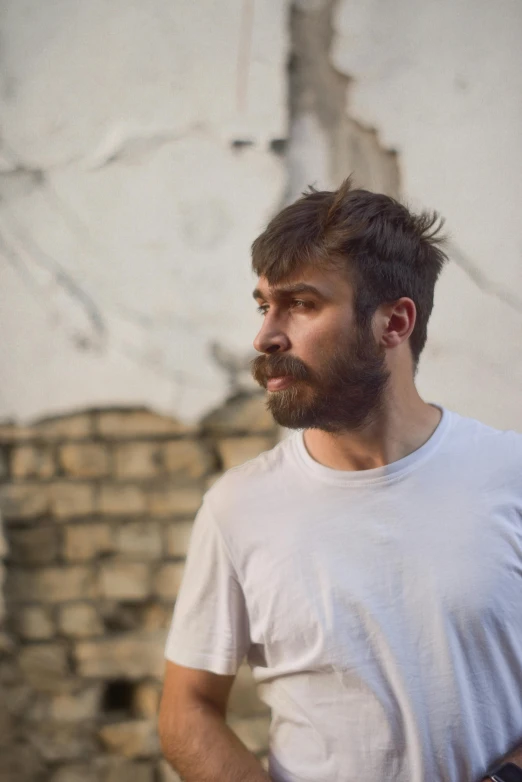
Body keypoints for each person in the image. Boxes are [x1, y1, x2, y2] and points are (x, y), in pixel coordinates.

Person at [158, 178, 522, 782]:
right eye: (263, 305)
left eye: (301, 304)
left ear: (394, 322)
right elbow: (186, 707)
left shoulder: (510, 475)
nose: (266, 336)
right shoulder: (237, 508)